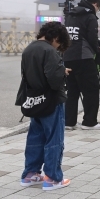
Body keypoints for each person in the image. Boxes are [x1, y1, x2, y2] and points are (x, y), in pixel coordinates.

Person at [17, 21, 72, 190]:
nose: (58, 46)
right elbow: (54, 81)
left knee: (35, 138)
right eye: (59, 42)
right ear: (55, 37)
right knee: (54, 138)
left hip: (34, 100)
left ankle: (30, 174)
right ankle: (53, 178)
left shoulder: (29, 49)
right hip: (51, 101)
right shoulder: (49, 51)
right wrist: (62, 72)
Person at [63, 0, 100, 130]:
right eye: (98, 8)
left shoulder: (70, 14)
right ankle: (89, 122)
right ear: (95, 4)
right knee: (91, 90)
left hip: (68, 56)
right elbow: (92, 37)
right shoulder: (90, 16)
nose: (97, 11)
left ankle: (69, 122)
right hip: (84, 58)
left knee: (72, 91)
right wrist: (97, 50)